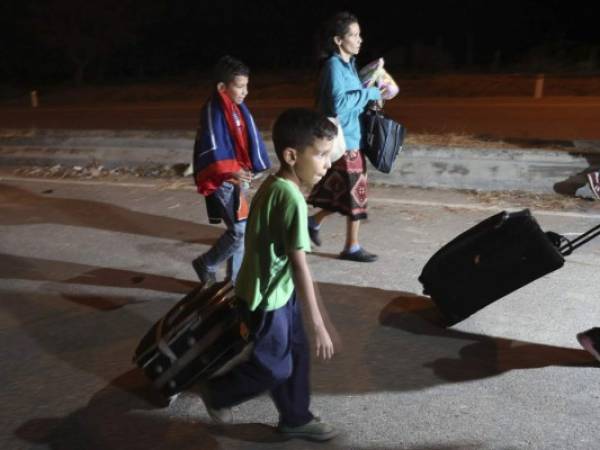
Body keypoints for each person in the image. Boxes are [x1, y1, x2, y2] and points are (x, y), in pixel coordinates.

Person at [198, 108, 339, 442]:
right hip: (265, 299)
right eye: (320, 155)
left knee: (297, 354)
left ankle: (295, 417)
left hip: (277, 291)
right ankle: (218, 392)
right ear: (292, 155)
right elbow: (300, 264)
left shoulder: (275, 184)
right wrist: (319, 322)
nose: (327, 163)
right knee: (276, 366)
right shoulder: (291, 199)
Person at [307, 11, 383, 263]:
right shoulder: (333, 66)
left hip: (352, 137)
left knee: (345, 193)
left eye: (360, 34)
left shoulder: (348, 65)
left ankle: (313, 222)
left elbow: (352, 100)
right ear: (339, 40)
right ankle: (351, 246)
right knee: (356, 194)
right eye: (354, 35)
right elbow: (339, 105)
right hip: (343, 140)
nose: (360, 39)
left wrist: (370, 97)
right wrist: (369, 95)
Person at [192, 55, 271, 286]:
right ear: (222, 87)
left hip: (236, 177)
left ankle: (234, 282)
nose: (245, 91)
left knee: (242, 230)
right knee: (239, 231)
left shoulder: (236, 108)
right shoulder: (213, 111)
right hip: (223, 179)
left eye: (247, 85)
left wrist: (248, 168)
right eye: (240, 86)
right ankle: (207, 263)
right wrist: (231, 171)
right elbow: (213, 146)